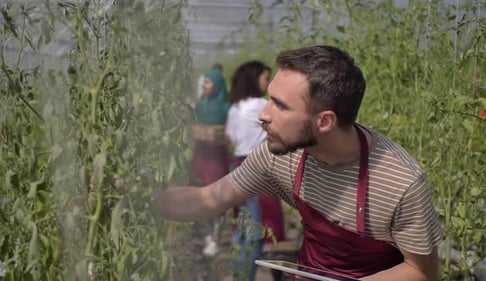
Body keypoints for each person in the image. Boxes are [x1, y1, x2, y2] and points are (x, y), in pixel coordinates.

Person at [155, 45, 443, 280]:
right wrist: (141, 202)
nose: (263, 115)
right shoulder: (279, 156)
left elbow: (421, 271)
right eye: (269, 99)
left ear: (324, 121)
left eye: (280, 105)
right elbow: (207, 199)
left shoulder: (399, 182)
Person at [226, 61, 286, 281]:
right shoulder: (261, 105)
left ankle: (238, 275)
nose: (267, 83)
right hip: (256, 168)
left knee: (241, 228)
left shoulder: (235, 107)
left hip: (237, 166)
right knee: (256, 231)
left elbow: (230, 137)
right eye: (265, 78)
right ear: (254, 80)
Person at [190, 68, 229, 257]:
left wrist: (222, 134)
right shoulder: (201, 105)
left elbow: (230, 132)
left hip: (216, 156)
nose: (205, 85)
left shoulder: (225, 108)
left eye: (209, 82)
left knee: (216, 196)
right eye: (204, 82)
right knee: (201, 195)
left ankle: (216, 237)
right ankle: (208, 232)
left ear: (218, 85)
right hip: (201, 154)